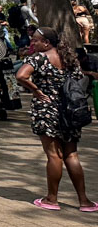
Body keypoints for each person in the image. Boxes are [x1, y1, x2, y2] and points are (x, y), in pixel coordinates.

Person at [15, 27, 97, 212]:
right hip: (70, 110)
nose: (32, 43)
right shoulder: (69, 58)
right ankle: (84, 201)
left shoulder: (39, 58)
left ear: (47, 43)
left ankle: (52, 198)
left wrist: (36, 90)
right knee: (71, 155)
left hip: (47, 110)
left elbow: (21, 75)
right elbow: (79, 79)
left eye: (36, 41)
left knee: (54, 155)